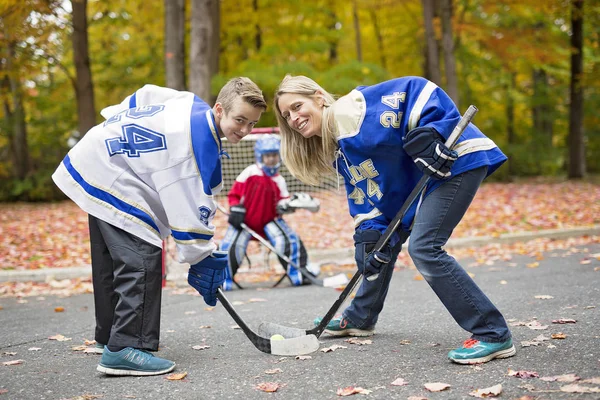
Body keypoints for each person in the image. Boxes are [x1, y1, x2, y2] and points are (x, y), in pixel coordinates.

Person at [273, 74, 515, 365]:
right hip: (425, 181)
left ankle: (492, 333)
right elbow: (368, 197)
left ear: (319, 98)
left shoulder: (352, 110)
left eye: (298, 106)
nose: (294, 118)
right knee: (380, 244)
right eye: (287, 115)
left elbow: (417, 89)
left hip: (454, 161)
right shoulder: (342, 148)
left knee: (425, 248)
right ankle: (360, 318)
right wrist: (369, 233)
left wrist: (433, 133)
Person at [52, 77, 267, 376]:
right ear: (220, 110)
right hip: (112, 171)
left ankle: (110, 337)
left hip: (96, 155)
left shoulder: (191, 103)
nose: (245, 130)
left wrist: (115, 121)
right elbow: (190, 214)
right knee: (141, 256)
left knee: (112, 257)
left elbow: (145, 94)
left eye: (252, 124)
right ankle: (125, 347)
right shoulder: (195, 148)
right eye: (240, 120)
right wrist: (203, 257)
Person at [220, 134, 320, 289]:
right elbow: (234, 194)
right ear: (260, 156)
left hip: (269, 221)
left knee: (289, 240)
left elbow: (281, 203)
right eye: (267, 155)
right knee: (230, 245)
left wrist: (290, 204)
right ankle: (221, 280)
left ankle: (300, 274)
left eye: (274, 155)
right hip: (244, 220)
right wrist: (235, 208)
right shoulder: (250, 172)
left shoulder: (279, 180)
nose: (271, 159)